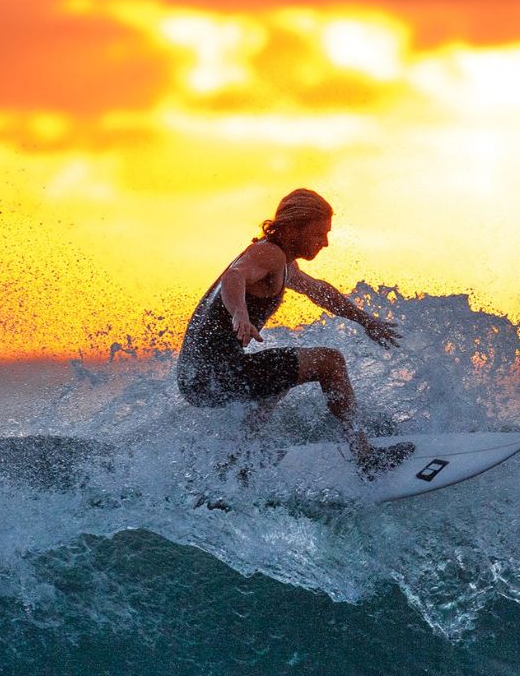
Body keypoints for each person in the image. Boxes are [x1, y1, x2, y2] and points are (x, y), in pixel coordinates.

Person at [176, 188, 414, 476]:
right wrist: (240, 312)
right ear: (292, 228)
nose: (325, 243)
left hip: (198, 378)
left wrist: (366, 321)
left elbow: (320, 292)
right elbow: (234, 276)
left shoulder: (283, 262)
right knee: (330, 362)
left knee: (283, 375)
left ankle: (238, 463)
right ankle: (364, 456)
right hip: (212, 375)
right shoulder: (268, 254)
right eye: (318, 233)